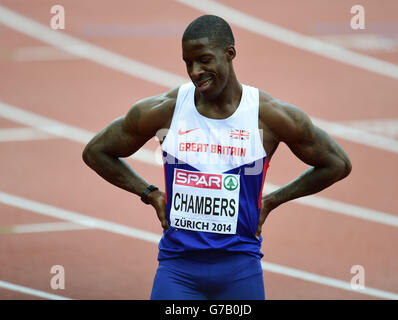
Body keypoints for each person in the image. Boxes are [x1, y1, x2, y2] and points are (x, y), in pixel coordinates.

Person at [82, 15, 352, 300]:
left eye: (204, 60)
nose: (195, 71)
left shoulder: (268, 116)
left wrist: (273, 200)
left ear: (230, 54)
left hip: (240, 267)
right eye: (188, 62)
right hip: (178, 268)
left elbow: (337, 164)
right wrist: (149, 193)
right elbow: (96, 152)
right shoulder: (167, 111)